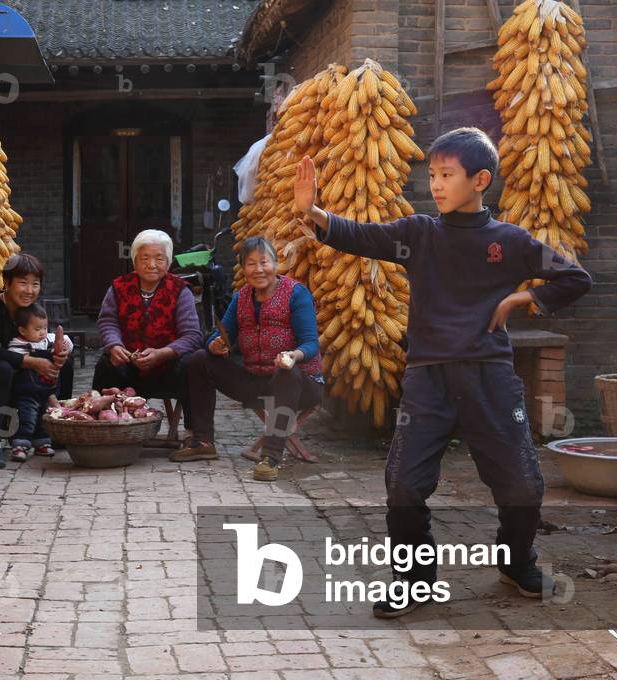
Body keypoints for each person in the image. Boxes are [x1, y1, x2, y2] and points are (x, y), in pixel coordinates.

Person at [294, 127, 593, 617]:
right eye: (431, 175)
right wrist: (313, 212)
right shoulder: (418, 235)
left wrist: (526, 296)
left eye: (446, 175)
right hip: (427, 380)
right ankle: (414, 580)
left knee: (521, 486)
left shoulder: (510, 241)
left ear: (480, 180)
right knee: (405, 485)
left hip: (489, 377)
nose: (435, 184)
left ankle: (517, 562)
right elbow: (360, 236)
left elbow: (574, 278)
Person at [171, 237, 324, 482]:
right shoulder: (241, 297)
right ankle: (203, 441)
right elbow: (220, 334)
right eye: (251, 264)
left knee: (287, 373)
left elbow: (311, 343)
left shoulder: (296, 294)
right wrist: (216, 344)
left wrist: (292, 356)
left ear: (276, 264)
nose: (258, 269)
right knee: (199, 359)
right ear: (243, 268)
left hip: (301, 383)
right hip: (255, 381)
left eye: (264, 262)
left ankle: (271, 457)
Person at [0, 253, 73, 469]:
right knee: (2, 368)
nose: (29, 290)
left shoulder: (31, 310)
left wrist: (57, 354)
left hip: (25, 380)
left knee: (66, 364)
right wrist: (31, 362)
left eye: (35, 284)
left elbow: (43, 341)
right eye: (22, 283)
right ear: (6, 283)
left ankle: (57, 427)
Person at [94, 229, 203, 435]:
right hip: (128, 367)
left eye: (159, 258)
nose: (152, 264)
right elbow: (108, 321)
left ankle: (194, 434)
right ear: (134, 261)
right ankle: (104, 427)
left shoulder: (180, 290)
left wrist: (163, 353)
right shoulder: (118, 287)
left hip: (167, 370)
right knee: (106, 364)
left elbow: (192, 335)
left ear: (168, 262)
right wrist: (114, 345)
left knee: (193, 363)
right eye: (145, 258)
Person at [7, 304, 74, 462]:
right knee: (27, 417)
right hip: (27, 390)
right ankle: (20, 444)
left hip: (48, 391)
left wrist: (62, 345)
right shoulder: (18, 345)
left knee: (46, 418)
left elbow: (67, 343)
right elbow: (14, 358)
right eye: (37, 329)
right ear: (22, 330)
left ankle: (42, 443)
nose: (42, 332)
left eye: (44, 327)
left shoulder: (49, 339)